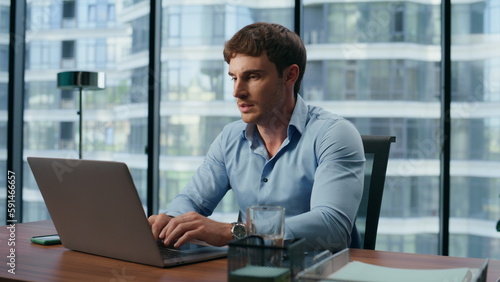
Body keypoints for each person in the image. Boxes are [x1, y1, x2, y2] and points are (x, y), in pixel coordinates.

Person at [148, 22, 365, 252]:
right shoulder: (230, 137)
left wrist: (234, 231)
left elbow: (332, 227)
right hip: (249, 269)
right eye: (233, 77)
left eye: (252, 76)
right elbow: (193, 199)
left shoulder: (334, 134)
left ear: (290, 75)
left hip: (315, 272)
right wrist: (170, 220)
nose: (237, 92)